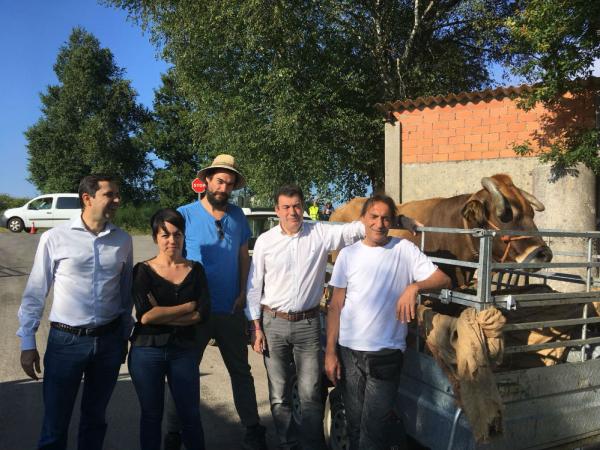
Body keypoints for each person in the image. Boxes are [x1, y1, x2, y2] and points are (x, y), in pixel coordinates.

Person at [245, 185, 419, 450]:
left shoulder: (319, 234)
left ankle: (312, 446)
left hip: (308, 323)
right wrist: (255, 326)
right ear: (277, 210)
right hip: (273, 323)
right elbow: (254, 285)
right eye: (286, 207)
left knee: (311, 394)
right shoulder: (266, 242)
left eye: (297, 206)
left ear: (302, 207)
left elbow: (358, 228)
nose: (293, 212)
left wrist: (398, 219)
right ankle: (288, 444)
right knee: (279, 395)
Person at [325, 194, 450, 450]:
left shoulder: (404, 249)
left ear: (392, 221)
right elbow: (335, 305)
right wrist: (330, 352)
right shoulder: (347, 255)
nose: (379, 224)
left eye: (385, 218)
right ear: (363, 219)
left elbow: (443, 280)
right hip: (349, 351)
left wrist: (414, 286)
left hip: (386, 353)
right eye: (374, 217)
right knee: (355, 423)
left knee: (374, 430)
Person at [17, 174, 133, 450]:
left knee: (95, 420)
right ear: (87, 198)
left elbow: (125, 293)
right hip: (66, 342)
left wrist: (123, 336)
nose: (117, 200)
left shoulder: (123, 240)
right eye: (110, 194)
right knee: (55, 423)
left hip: (108, 342)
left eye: (118, 194)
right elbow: (36, 291)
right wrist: (27, 342)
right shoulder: (55, 238)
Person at [165, 154, 267, 450]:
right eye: (220, 180)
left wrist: (243, 293)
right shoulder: (184, 214)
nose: (224, 187)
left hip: (230, 309)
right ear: (207, 180)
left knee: (241, 373)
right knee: (184, 373)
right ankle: (173, 431)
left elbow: (242, 258)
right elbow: (170, 256)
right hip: (194, 312)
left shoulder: (238, 216)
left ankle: (253, 429)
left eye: (230, 183)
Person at [129, 208, 211, 450]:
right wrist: (187, 306)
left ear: (184, 236)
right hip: (147, 352)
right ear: (155, 237)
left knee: (191, 416)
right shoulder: (142, 271)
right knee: (151, 416)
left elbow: (202, 314)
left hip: (183, 351)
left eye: (177, 234)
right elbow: (145, 316)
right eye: (165, 235)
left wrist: (162, 314)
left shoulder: (196, 270)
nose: (172, 240)